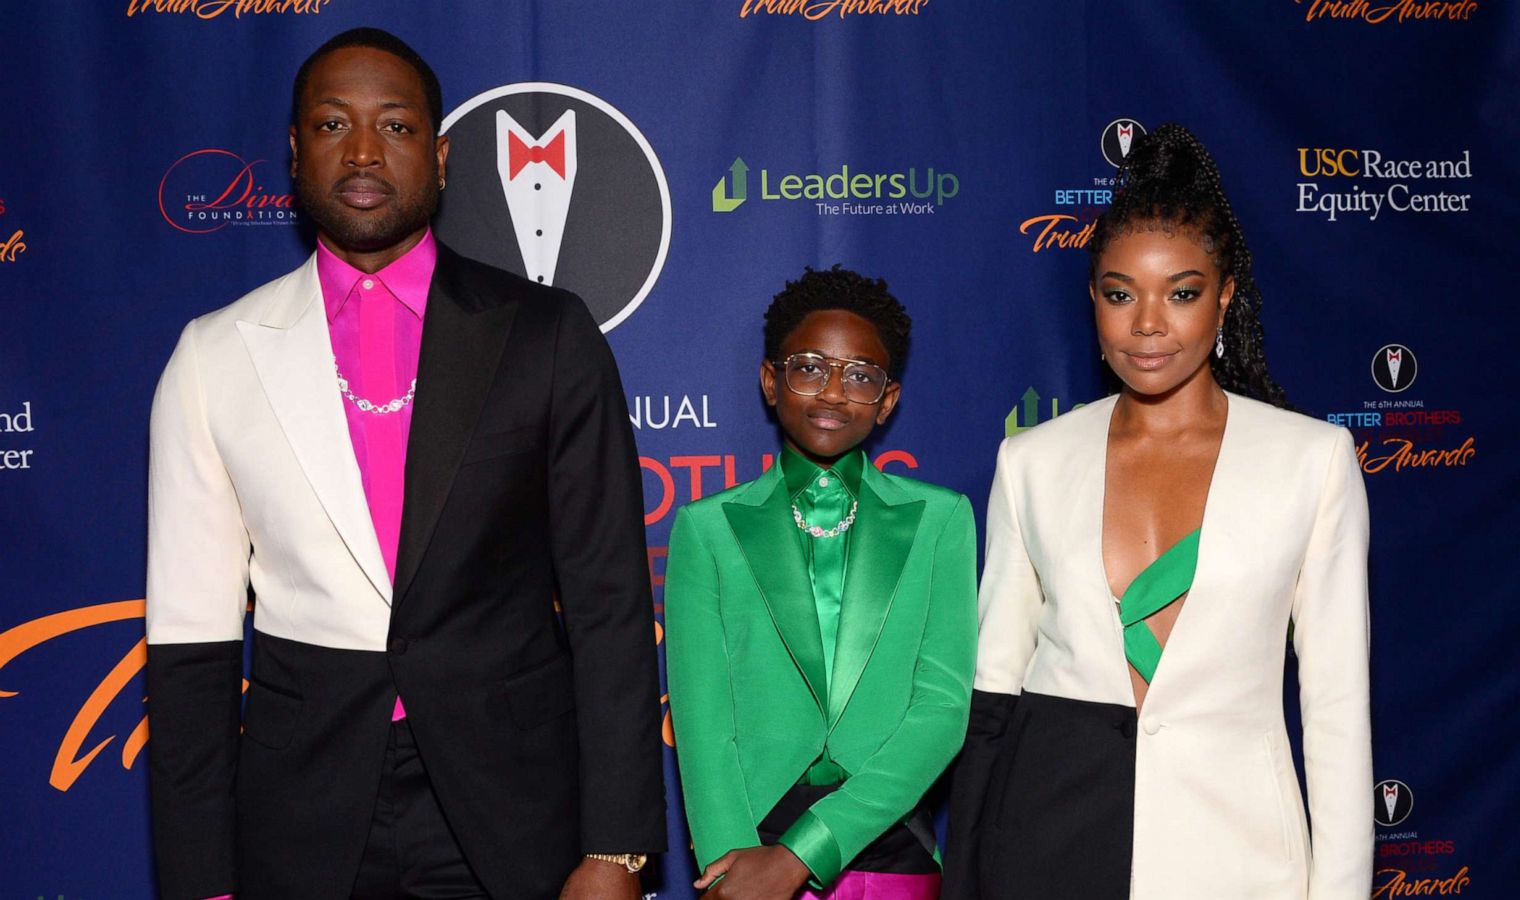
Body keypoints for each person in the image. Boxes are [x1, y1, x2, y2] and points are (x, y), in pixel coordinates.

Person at [144, 28, 663, 900]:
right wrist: (201, 879)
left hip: (513, 806)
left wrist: (616, 850)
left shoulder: (546, 334)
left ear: (443, 154)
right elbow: (190, 646)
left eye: (395, 126)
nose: (361, 150)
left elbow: (610, 605)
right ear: (295, 153)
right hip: (299, 812)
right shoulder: (213, 355)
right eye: (331, 124)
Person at [941, 125, 1372, 900]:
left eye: (1181, 292)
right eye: (1119, 294)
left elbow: (1338, 712)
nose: (1147, 324)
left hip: (1240, 860)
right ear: (1094, 301)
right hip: (1048, 844)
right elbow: (993, 690)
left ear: (1226, 294)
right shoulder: (1033, 460)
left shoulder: (1312, 461)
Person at [665, 267, 977, 900]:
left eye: (860, 376)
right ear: (770, 381)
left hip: (888, 838)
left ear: (887, 400)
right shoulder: (706, 528)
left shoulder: (943, 520)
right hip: (747, 843)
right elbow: (702, 722)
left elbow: (942, 709)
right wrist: (735, 859)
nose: (833, 392)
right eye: (809, 367)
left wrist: (804, 853)